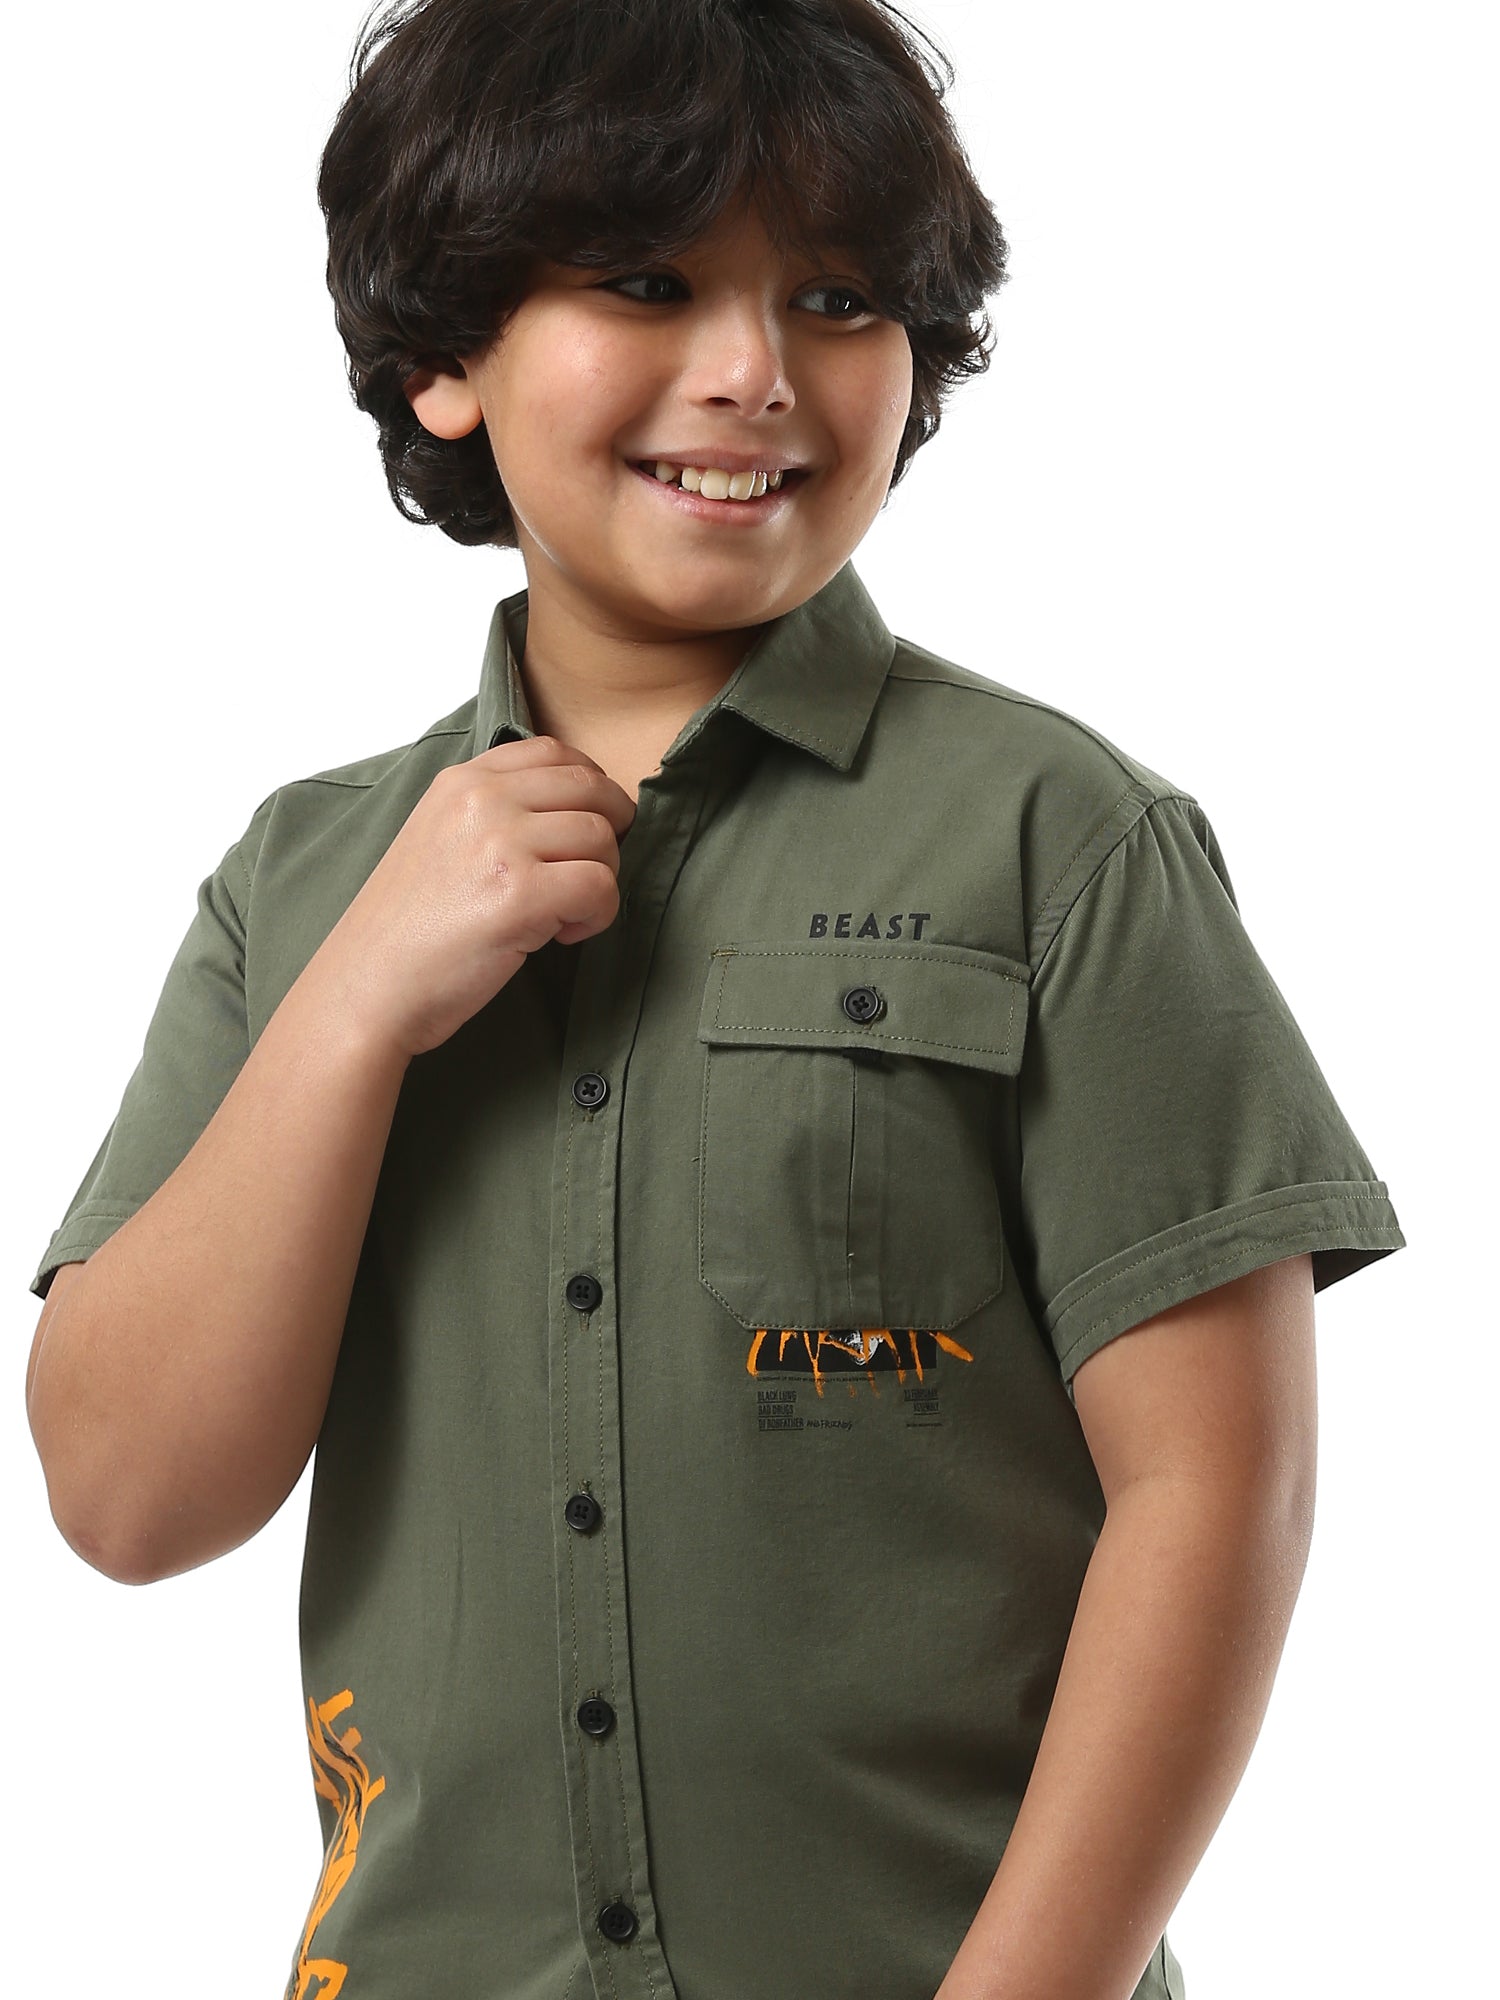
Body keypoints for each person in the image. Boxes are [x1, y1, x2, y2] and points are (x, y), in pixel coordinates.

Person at [22, 2, 1405, 1997]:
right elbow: (130, 1496)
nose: (756, 371)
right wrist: (352, 1011)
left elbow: (1215, 1494)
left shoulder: (1065, 843)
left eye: (838, 298)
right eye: (650, 283)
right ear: (442, 358)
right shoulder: (299, 887)